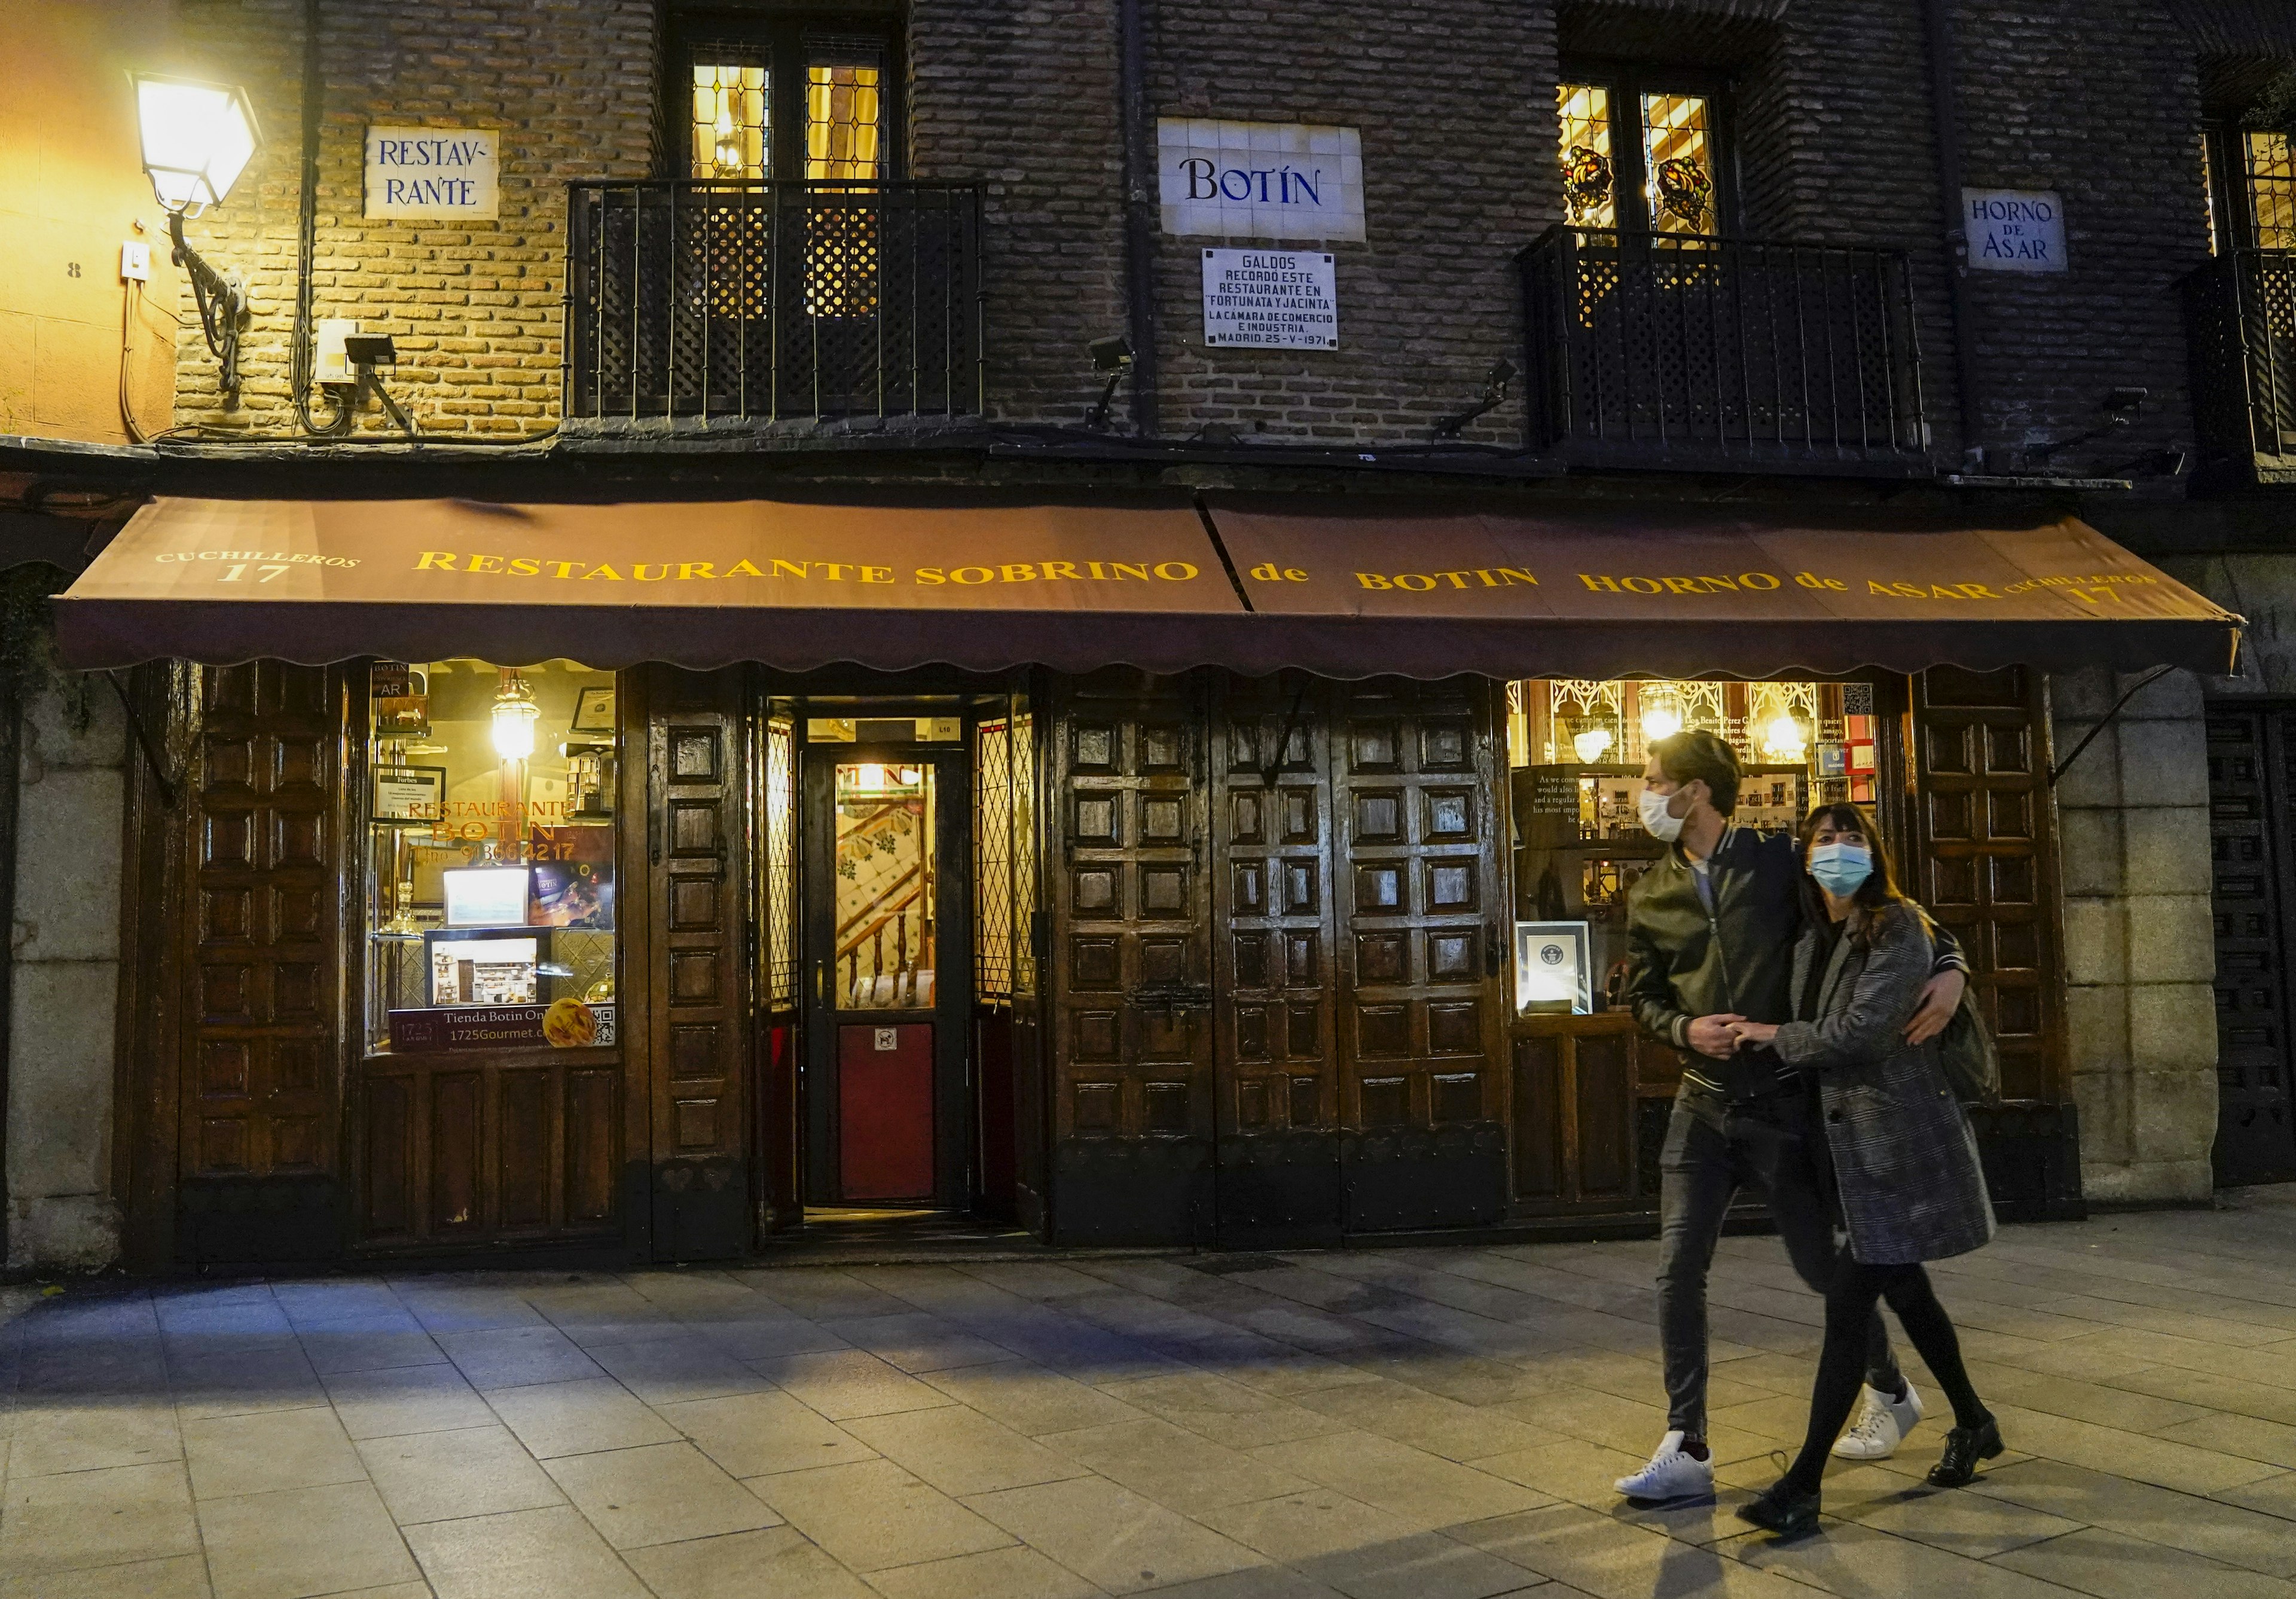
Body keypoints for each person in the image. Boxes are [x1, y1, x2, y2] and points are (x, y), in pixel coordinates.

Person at [1612, 732, 1966, 1503]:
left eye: (1651, 781)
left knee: (1821, 1266)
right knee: (1677, 1267)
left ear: (1695, 791)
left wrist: (1950, 966)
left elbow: (1884, 909)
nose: (1641, 794)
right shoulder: (1650, 892)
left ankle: (1889, 1386)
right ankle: (1688, 1442)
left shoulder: (1777, 860)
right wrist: (1682, 1029)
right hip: (1700, 1100)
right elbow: (1642, 995)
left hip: (1784, 1102)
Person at [1730, 803, 2002, 1535]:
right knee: (1906, 1287)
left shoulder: (1895, 923)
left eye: (1855, 838)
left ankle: (1804, 1482)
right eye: (1826, 838)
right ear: (1806, 855)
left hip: (1897, 1142)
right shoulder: (1812, 930)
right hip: (1842, 1145)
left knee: (1849, 1306)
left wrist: (1769, 1034)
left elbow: (1863, 1032)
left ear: (1876, 852)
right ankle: (1974, 1421)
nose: (1840, 849)